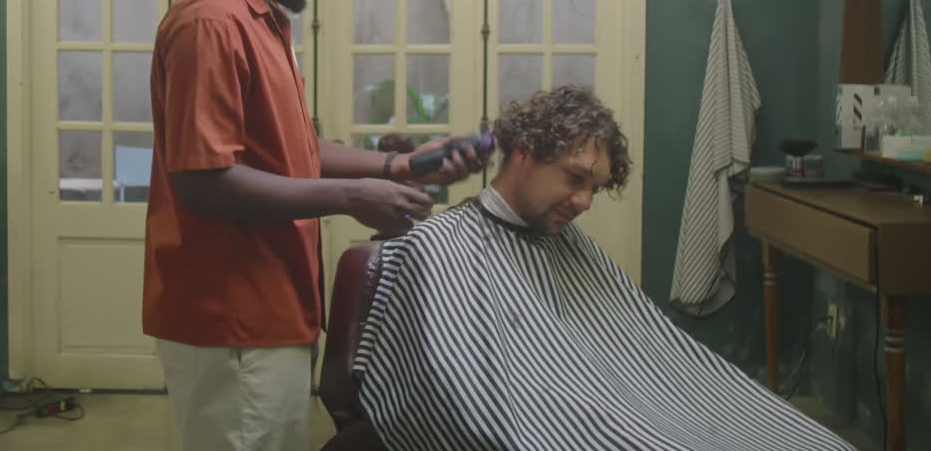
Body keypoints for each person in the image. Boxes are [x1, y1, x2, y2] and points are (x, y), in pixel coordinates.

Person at [144, 0, 485, 451]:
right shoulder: (212, 22)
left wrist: (397, 167)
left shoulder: (259, 19)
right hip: (232, 320)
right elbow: (203, 181)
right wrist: (352, 197)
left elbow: (291, 151)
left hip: (269, 308)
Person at [349, 85, 855, 451]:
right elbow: (455, 398)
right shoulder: (440, 247)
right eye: (575, 178)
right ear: (523, 152)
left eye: (596, 188)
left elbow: (649, 356)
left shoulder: (570, 244)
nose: (586, 202)